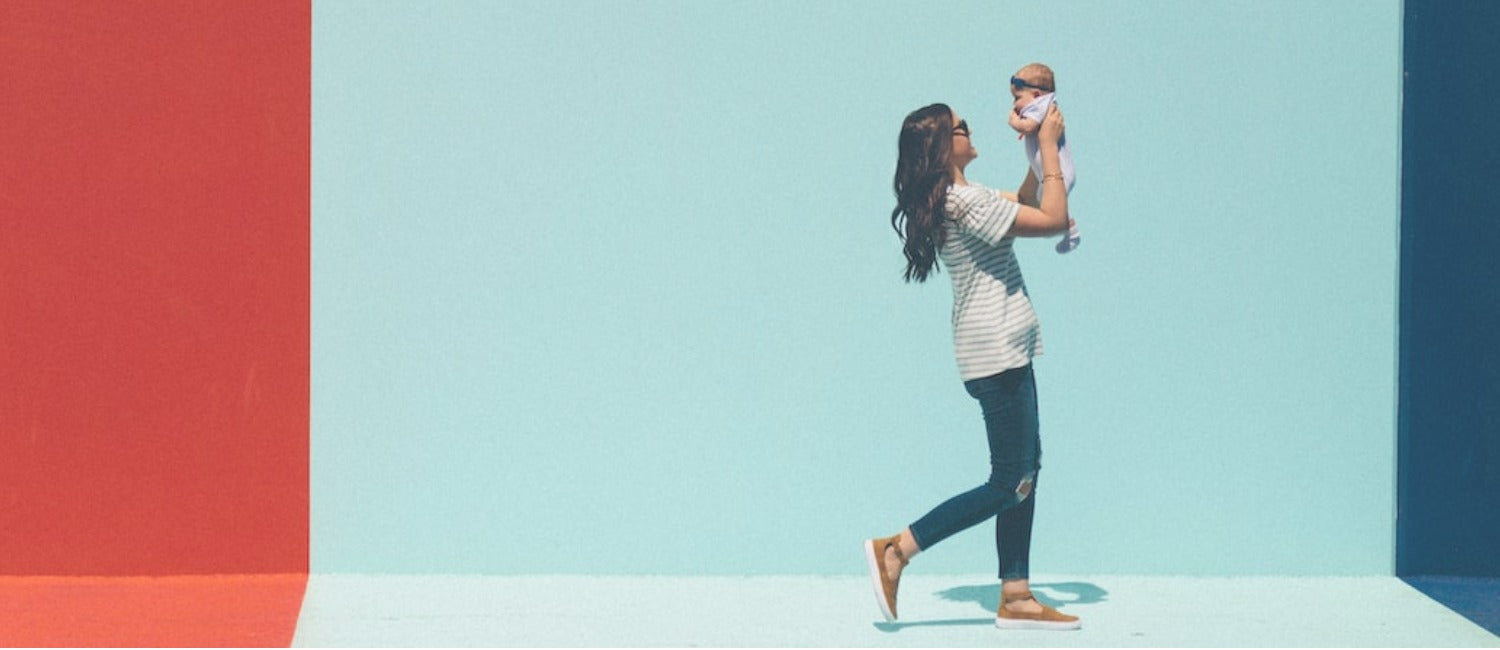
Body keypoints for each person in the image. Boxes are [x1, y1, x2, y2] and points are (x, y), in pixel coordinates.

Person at [865, 102, 1080, 631]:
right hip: (998, 349)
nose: (970, 130)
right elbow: (1051, 219)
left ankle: (1017, 593)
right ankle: (898, 549)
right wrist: (1051, 149)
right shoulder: (963, 204)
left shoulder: (967, 198)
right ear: (942, 146)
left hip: (999, 346)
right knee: (1010, 479)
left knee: (1025, 470)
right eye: (961, 127)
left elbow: (1028, 200)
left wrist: (1036, 148)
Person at [1007, 62, 1080, 254]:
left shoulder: (1041, 105)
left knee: (1047, 209)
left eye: (1017, 98)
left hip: (1060, 172)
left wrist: (1014, 122)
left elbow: (1029, 127)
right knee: (1042, 202)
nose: (1014, 105)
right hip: (1048, 173)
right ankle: (1069, 228)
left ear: (1036, 95)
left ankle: (1070, 230)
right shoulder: (1040, 105)